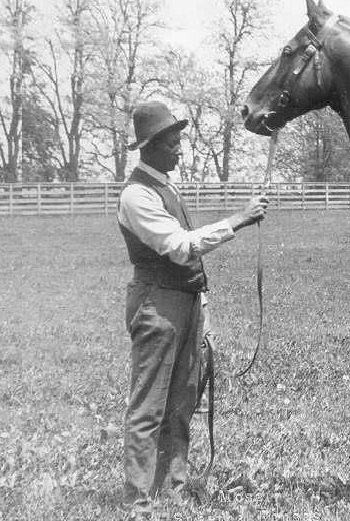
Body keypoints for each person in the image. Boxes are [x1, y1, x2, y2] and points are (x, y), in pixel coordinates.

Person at [116, 100, 268, 517]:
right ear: (148, 147)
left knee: (184, 398)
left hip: (185, 302)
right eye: (172, 142)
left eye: (179, 139)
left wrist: (203, 313)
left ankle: (174, 486)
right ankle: (138, 498)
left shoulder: (165, 185)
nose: (180, 149)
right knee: (149, 404)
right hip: (157, 305)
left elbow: (189, 262)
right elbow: (182, 248)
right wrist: (238, 219)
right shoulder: (136, 195)